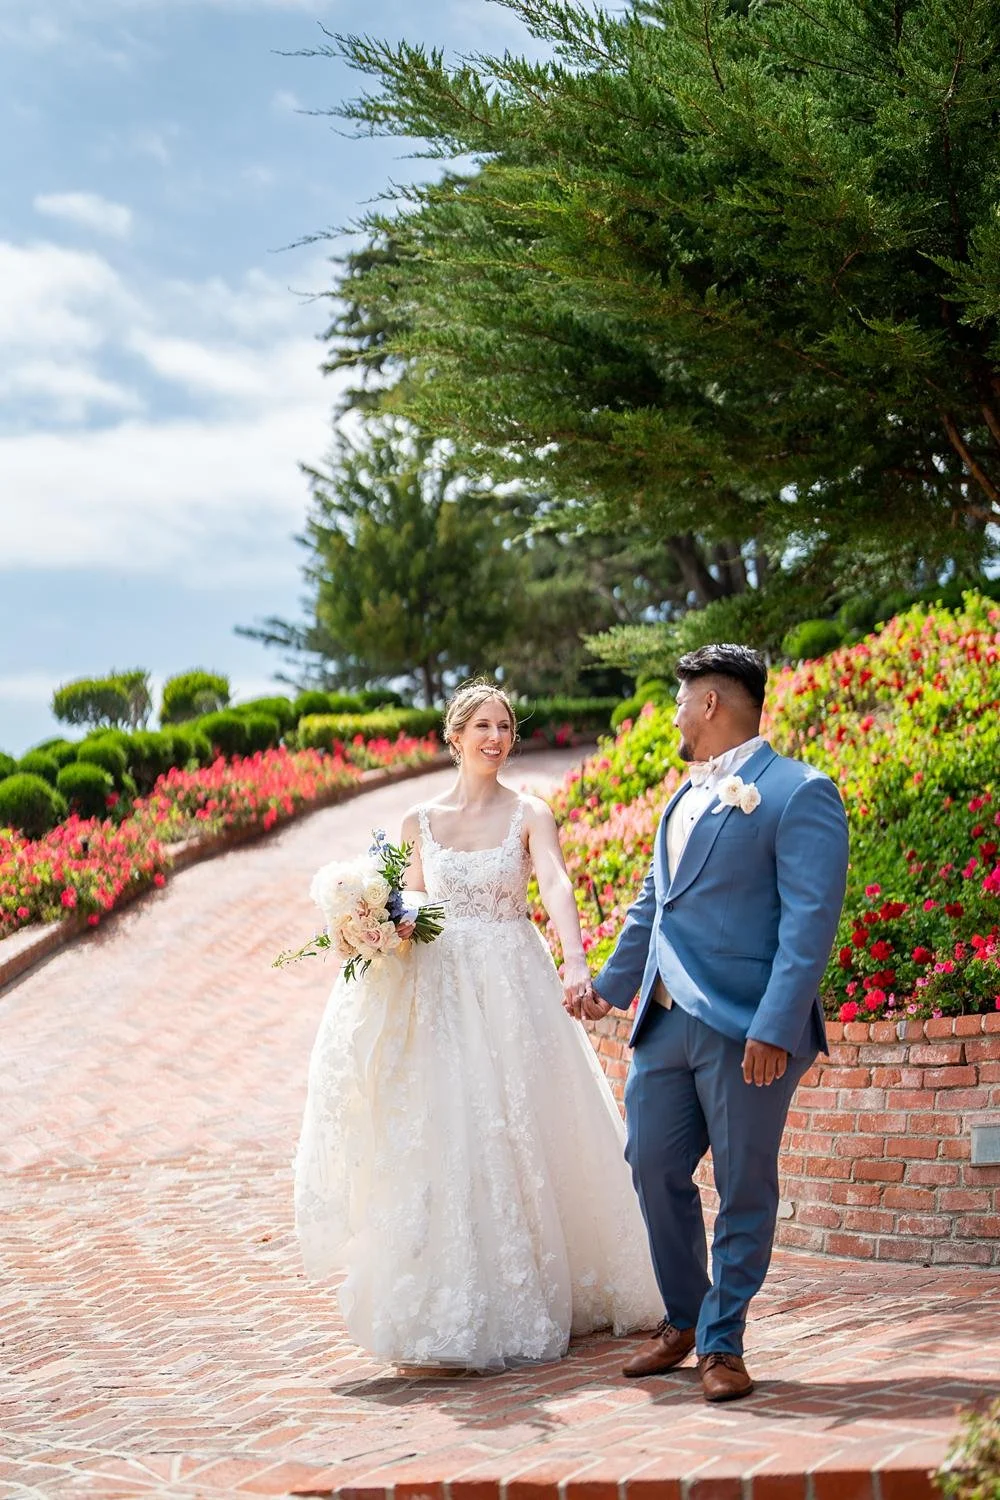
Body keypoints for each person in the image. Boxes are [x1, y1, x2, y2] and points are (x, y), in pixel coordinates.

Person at [294, 679, 662, 1372]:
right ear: (455, 735)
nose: (496, 736)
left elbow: (553, 880)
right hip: (442, 988)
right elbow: (405, 903)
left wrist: (576, 961)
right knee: (454, 1127)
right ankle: (454, 1289)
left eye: (505, 726)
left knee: (528, 1119)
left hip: (512, 976)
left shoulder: (531, 812)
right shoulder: (417, 822)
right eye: (482, 725)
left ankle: (561, 1276)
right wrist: (372, 926)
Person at [576, 644, 849, 1403]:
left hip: (746, 1031)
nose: (672, 714)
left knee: (743, 1184)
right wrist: (607, 989)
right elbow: (652, 907)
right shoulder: (680, 798)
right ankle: (688, 1317)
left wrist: (776, 1024)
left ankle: (724, 1344)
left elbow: (809, 923)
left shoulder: (799, 792)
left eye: (679, 699)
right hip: (664, 1023)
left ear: (708, 705)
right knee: (651, 1165)